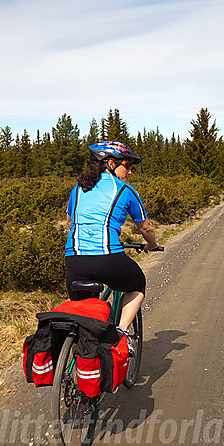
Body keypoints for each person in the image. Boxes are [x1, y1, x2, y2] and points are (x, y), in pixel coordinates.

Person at [65, 141, 160, 336]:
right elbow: (146, 228)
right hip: (108, 258)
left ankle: (76, 352)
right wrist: (152, 245)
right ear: (110, 163)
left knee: (82, 318)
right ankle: (120, 333)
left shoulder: (78, 189)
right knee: (137, 284)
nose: (130, 172)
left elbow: (69, 223)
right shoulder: (126, 190)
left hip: (74, 260)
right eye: (127, 164)